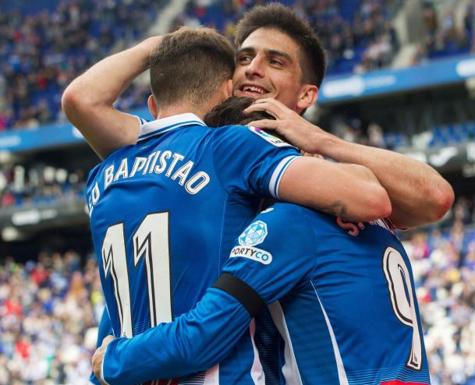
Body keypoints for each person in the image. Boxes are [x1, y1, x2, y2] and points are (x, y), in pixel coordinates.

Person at [84, 27, 391, 385]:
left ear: (152, 105)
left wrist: (160, 45)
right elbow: (370, 197)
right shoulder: (229, 145)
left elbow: (79, 99)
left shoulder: (103, 177)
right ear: (227, 90)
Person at [62, 3, 454, 230]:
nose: (252, 68)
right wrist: (166, 45)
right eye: (244, 58)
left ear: (307, 94)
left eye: (275, 61)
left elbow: (434, 198)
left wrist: (321, 141)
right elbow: (83, 101)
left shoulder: (332, 171)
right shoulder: (184, 143)